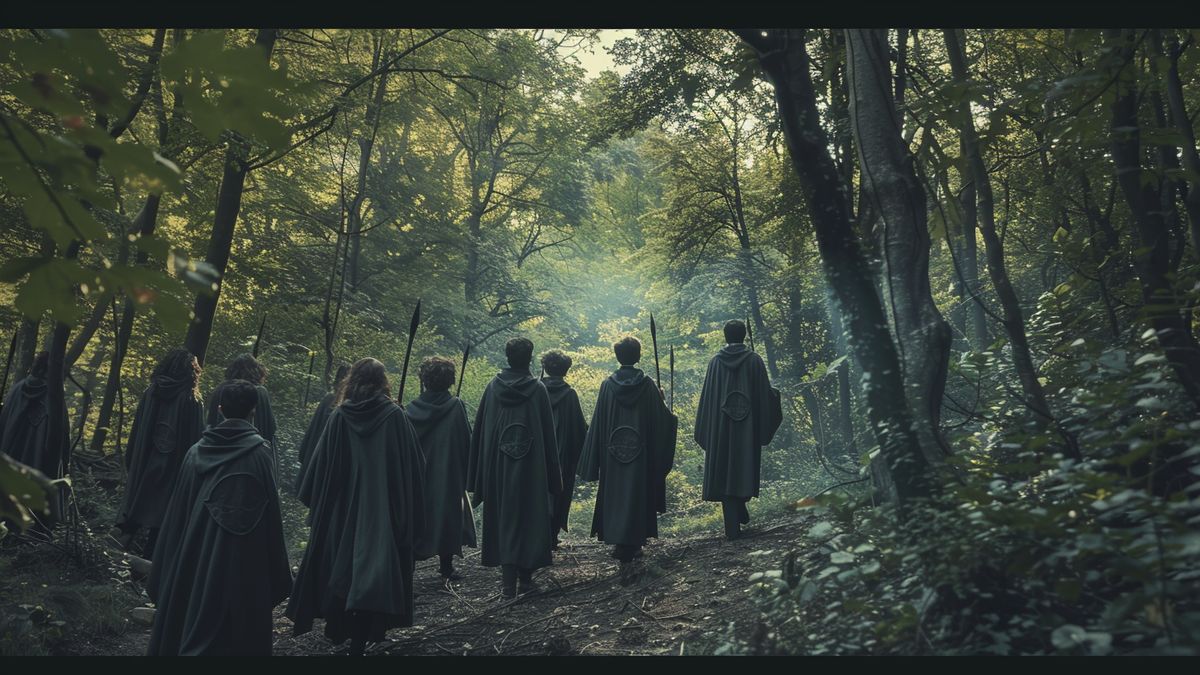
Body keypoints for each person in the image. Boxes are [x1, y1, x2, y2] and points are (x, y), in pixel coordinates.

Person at [286, 358, 426, 656]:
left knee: (343, 569)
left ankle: (342, 630)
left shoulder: (340, 416)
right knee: (372, 575)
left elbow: (318, 470)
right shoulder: (395, 417)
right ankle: (358, 638)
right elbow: (413, 469)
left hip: (341, 513)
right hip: (382, 515)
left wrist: (319, 504)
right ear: (383, 382)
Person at [146, 379, 291, 655]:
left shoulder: (195, 454)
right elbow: (271, 517)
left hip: (194, 562)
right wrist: (276, 570)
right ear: (254, 411)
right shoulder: (261, 455)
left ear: (220, 409)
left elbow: (178, 518)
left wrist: (167, 567)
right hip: (245, 567)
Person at [467, 337, 562, 599]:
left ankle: (509, 585)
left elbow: (480, 434)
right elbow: (548, 438)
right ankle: (524, 581)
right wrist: (555, 478)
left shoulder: (493, 389)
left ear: (507, 357)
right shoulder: (538, 390)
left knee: (504, 517)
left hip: (499, 468)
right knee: (529, 517)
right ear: (529, 358)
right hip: (531, 469)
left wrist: (477, 475)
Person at [577, 336, 677, 582]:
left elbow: (599, 423)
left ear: (617, 356)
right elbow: (664, 421)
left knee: (618, 494)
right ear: (639, 355)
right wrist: (662, 400)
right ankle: (634, 543)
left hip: (614, 455)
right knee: (637, 493)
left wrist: (594, 458)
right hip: (640, 455)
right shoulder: (648, 386)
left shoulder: (607, 386)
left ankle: (623, 544)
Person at [112, 348, 206, 556]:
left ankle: (116, 553)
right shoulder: (191, 399)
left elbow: (138, 429)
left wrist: (134, 457)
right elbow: (195, 439)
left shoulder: (151, 391)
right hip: (174, 465)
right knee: (164, 513)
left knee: (138, 504)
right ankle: (147, 562)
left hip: (146, 460)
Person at [695, 320, 782, 540]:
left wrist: (708, 427)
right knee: (742, 467)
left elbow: (708, 401)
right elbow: (764, 396)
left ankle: (734, 518)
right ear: (744, 335)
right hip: (747, 428)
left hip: (722, 429)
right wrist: (775, 396)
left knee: (725, 470)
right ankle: (736, 517)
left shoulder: (715, 363)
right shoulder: (754, 361)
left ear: (725, 336)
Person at [407, 356, 477, 581]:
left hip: (417, 477)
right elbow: (466, 442)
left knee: (415, 515)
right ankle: (446, 566)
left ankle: (409, 565)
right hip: (447, 476)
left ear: (424, 380)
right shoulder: (455, 406)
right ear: (450, 380)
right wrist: (468, 473)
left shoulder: (408, 410)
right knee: (447, 517)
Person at [0, 352, 69, 514]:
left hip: (12, 456)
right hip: (38, 461)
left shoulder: (17, 389)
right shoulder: (54, 397)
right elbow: (63, 436)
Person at [539, 349, 588, 550]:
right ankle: (552, 537)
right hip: (562, 458)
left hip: (538, 455)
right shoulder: (569, 395)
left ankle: (539, 535)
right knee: (559, 495)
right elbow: (579, 429)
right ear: (566, 370)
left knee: (538, 494)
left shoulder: (534, 391)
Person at [206, 353, 278, 475]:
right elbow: (270, 429)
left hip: (217, 454)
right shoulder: (260, 392)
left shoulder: (220, 389)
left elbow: (210, 422)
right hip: (251, 456)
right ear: (256, 370)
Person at [294, 363, 350, 496]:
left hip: (323, 459)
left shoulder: (335, 401)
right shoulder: (333, 400)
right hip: (322, 459)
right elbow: (314, 429)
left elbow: (312, 429)